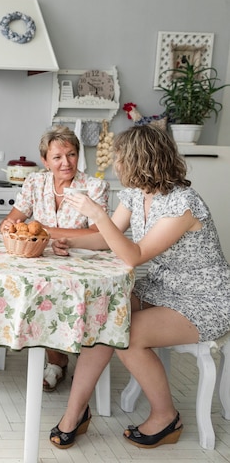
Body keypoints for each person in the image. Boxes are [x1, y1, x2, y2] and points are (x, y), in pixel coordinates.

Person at [49, 125, 230, 450]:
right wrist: (67, 243)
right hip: (162, 288)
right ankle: (75, 414)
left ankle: (166, 417)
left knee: (126, 334)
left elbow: (133, 255)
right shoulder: (136, 193)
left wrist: (96, 213)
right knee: (103, 315)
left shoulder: (182, 205)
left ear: (139, 161)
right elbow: (107, 238)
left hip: (204, 299)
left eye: (120, 157)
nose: (116, 163)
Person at [0, 125, 109, 391]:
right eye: (57, 157)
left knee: (80, 306)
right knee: (40, 299)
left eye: (71, 155)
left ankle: (85, 365)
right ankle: (56, 362)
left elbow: (100, 234)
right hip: (44, 261)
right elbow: (15, 218)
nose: (65, 163)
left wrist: (49, 233)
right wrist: (8, 225)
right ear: (45, 161)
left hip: (83, 263)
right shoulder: (35, 182)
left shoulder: (95, 187)